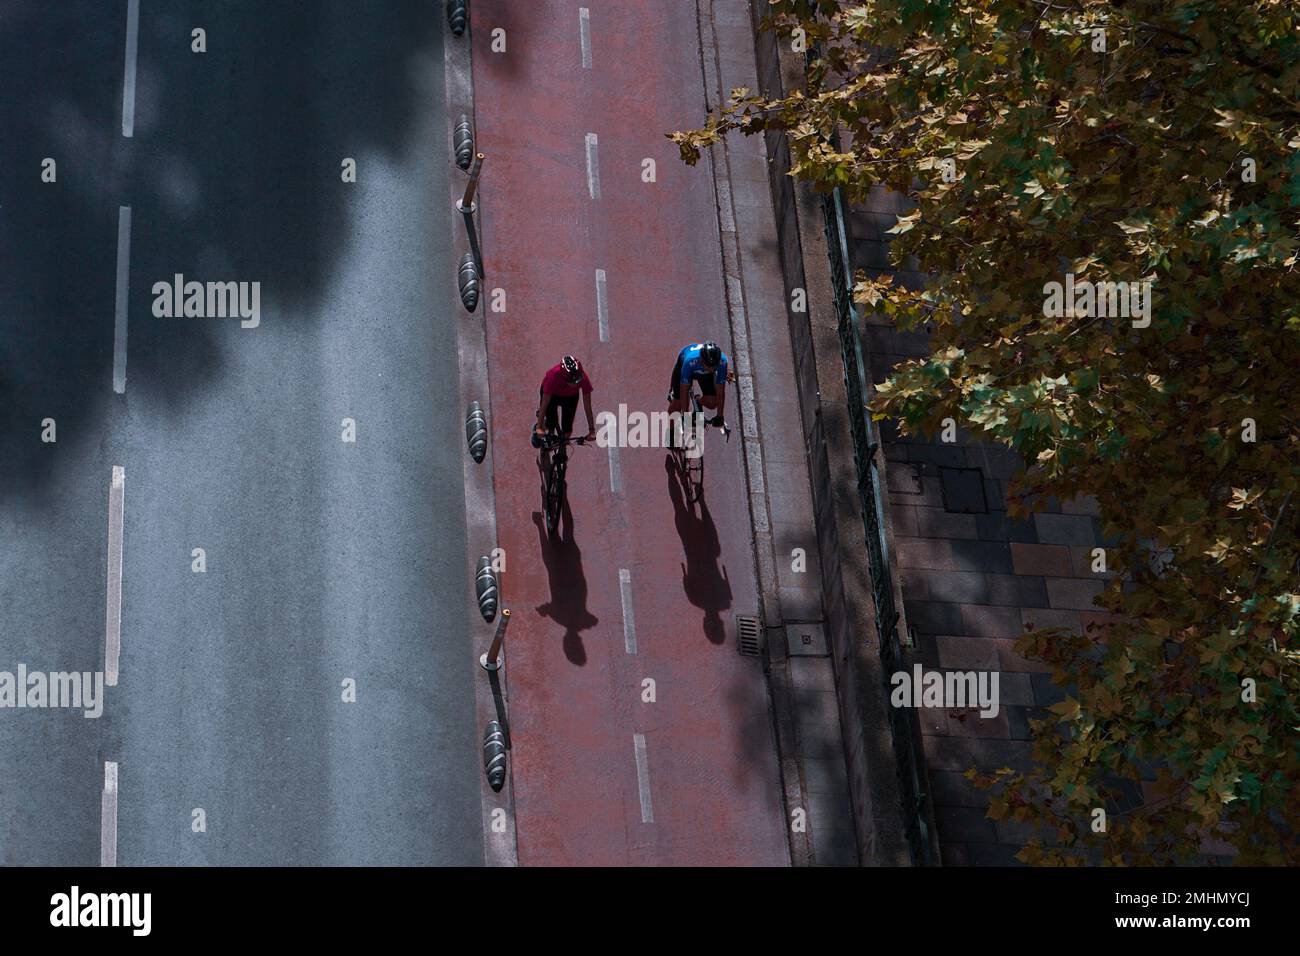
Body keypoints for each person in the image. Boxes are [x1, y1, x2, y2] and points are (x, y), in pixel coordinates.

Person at [534, 355, 596, 447]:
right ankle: (544, 426)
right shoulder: (552, 377)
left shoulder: (583, 378)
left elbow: (587, 406)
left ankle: (561, 448)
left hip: (570, 397)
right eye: (573, 382)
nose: (576, 383)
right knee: (551, 422)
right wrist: (539, 428)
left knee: (567, 431)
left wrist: (591, 431)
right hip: (552, 396)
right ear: (564, 378)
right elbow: (545, 403)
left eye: (578, 380)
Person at [667, 341, 731, 426]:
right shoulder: (689, 362)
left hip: (704, 373)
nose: (712, 369)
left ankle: (698, 402)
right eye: (709, 365)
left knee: (712, 403)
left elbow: (720, 391)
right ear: (702, 361)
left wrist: (720, 416)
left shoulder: (722, 362)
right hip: (685, 367)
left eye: (714, 366)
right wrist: (686, 416)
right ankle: (671, 432)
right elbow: (684, 391)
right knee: (677, 405)